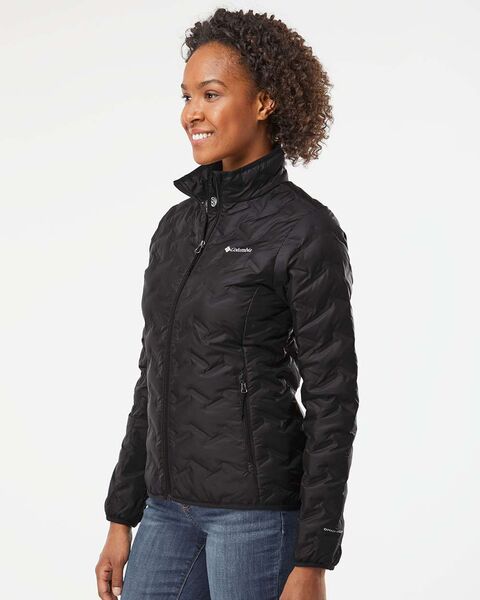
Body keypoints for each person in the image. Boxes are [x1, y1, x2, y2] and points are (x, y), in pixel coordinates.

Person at [95, 8, 359, 600]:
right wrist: (120, 515)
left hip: (256, 518)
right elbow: (153, 376)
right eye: (187, 96)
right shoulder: (175, 228)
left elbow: (333, 399)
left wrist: (314, 558)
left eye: (211, 94)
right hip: (166, 510)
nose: (192, 112)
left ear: (264, 102)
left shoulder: (305, 230)